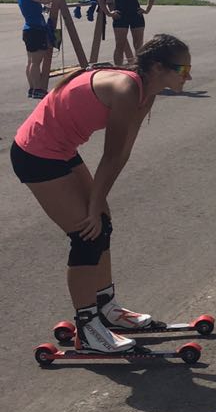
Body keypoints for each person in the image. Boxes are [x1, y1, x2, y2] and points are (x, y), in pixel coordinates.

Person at [9, 34, 193, 352]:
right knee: (87, 233)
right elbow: (110, 155)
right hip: (35, 153)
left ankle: (106, 309)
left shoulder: (145, 92)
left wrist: (98, 205)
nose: (188, 76)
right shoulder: (127, 89)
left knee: (102, 222)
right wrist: (92, 207)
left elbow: (122, 155)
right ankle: (88, 328)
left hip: (60, 150)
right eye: (182, 69)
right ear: (159, 67)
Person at [16, 0, 55, 98]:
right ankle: (38, 89)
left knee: (31, 61)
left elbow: (41, 6)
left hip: (30, 30)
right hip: (35, 30)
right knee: (36, 62)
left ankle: (33, 88)